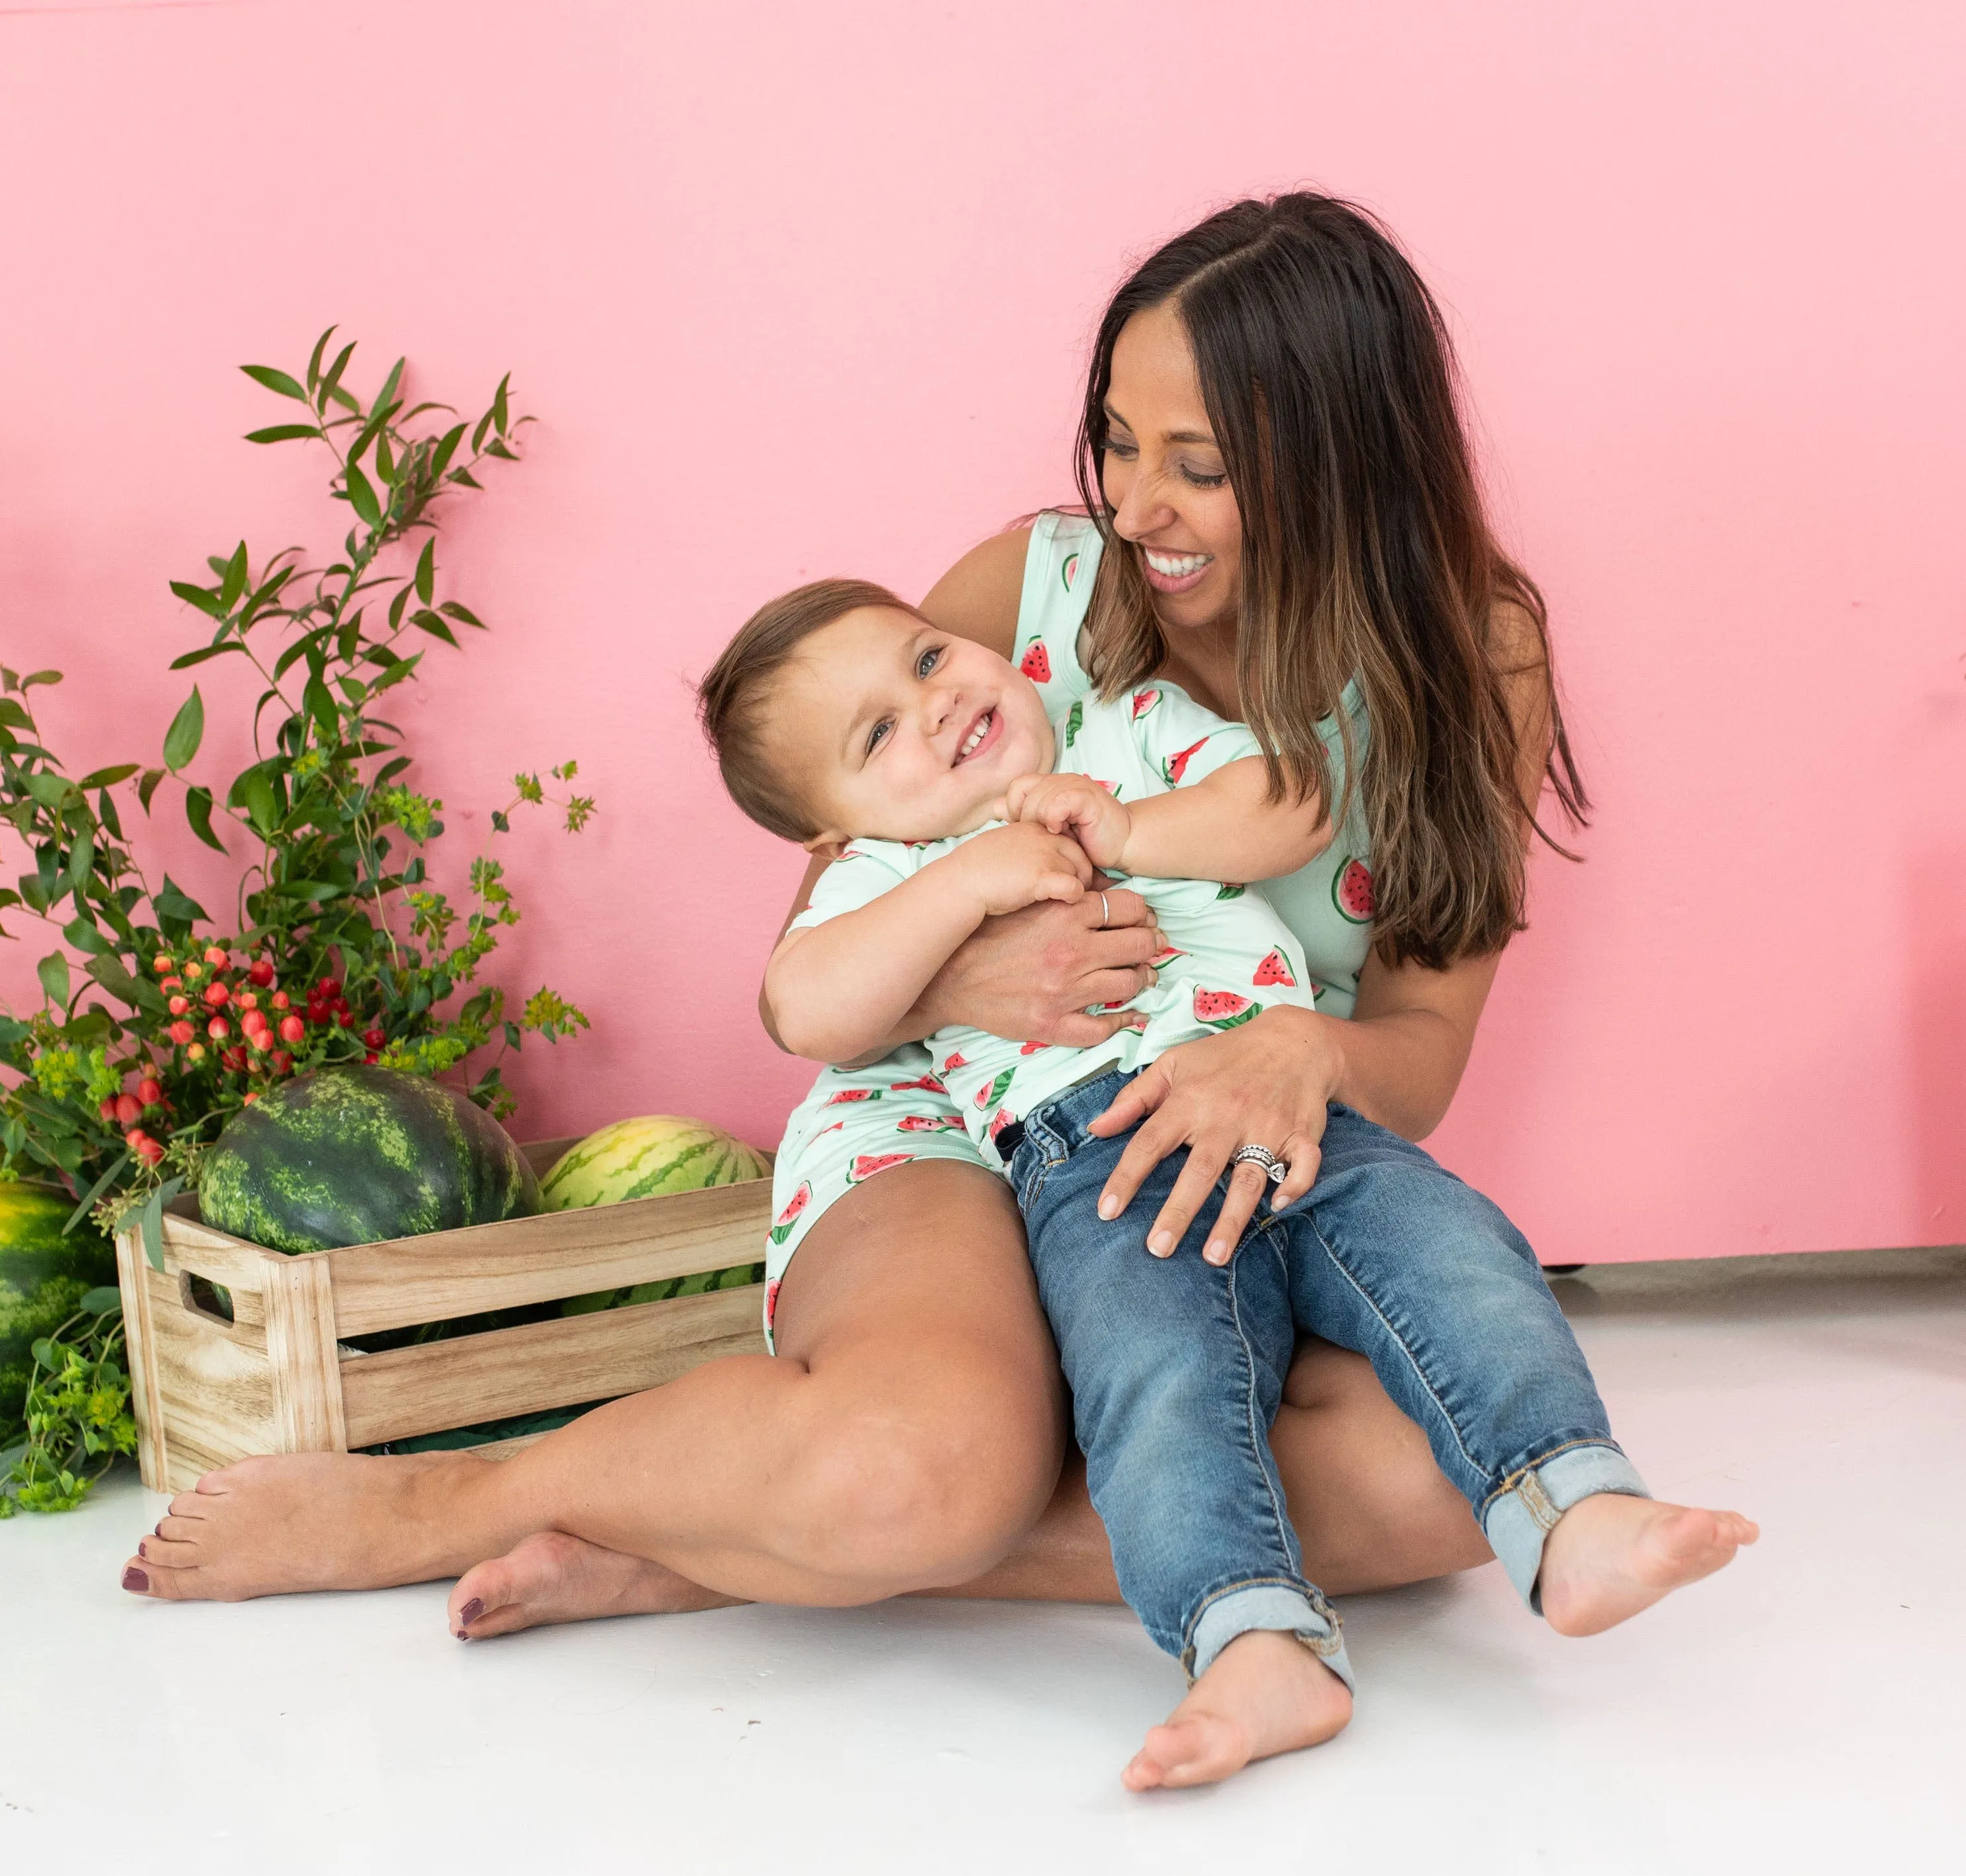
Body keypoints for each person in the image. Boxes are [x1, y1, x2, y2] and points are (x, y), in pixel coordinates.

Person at [122, 197, 1747, 1770]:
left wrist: (1300, 1053)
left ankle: (727, 1547)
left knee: (1438, 1485)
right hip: (953, 1098)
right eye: (1117, 441)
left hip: (1210, 1120)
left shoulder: (1471, 651)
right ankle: (454, 1501)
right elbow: (823, 965)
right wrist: (981, 961)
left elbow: (1419, 1037)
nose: (1137, 506)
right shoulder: (1020, 603)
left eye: (1203, 465)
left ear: (1345, 464)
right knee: (930, 1466)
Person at [693, 581, 1753, 1788]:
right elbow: (808, 1004)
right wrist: (965, 882)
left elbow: (1288, 805)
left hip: (1291, 1107)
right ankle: (1249, 1637)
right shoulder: (882, 871)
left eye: (930, 660)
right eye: (876, 735)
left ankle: (1572, 1504)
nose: (933, 710)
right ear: (832, 831)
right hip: (1103, 1162)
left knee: (1457, 1251)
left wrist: (1127, 827)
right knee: (1162, 1378)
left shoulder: (1123, 732)